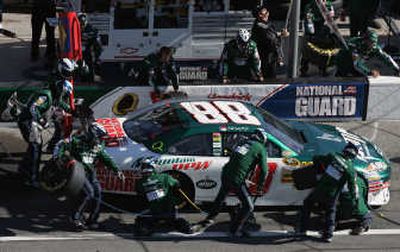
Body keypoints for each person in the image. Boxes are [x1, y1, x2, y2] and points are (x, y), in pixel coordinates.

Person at [53, 122, 124, 229]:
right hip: (79, 173)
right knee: (89, 193)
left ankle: (92, 220)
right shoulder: (77, 141)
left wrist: (117, 171)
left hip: (91, 173)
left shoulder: (98, 147)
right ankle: (75, 217)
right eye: (99, 137)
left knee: (98, 193)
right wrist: (57, 157)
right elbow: (61, 143)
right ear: (93, 135)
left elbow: (107, 159)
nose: (101, 140)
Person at [198, 128, 268, 236]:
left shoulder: (243, 143)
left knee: (222, 195)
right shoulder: (260, 148)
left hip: (226, 173)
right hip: (237, 178)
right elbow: (264, 170)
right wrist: (260, 186)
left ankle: (210, 217)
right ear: (263, 140)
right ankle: (235, 230)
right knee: (249, 206)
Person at [295, 142, 360, 242]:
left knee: (308, 204)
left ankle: (302, 230)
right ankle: (328, 235)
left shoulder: (333, 156)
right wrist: (354, 200)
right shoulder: (351, 170)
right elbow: (352, 187)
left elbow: (317, 159)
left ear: (345, 151)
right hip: (332, 194)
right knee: (330, 211)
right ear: (353, 156)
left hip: (320, 189)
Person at [134, 157, 193, 235]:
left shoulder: (139, 183)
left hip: (154, 213)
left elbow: (140, 194)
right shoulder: (165, 177)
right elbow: (177, 184)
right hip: (170, 212)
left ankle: (146, 228)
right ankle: (183, 226)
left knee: (139, 218)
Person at [17, 88, 54, 186]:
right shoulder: (45, 96)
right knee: (35, 147)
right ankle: (31, 177)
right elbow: (33, 107)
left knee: (35, 146)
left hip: (31, 122)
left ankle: (23, 169)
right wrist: (42, 121)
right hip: (27, 121)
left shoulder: (53, 96)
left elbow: (63, 104)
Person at [335, 30, 400, 77]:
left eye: (374, 42)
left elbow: (386, 58)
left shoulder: (375, 48)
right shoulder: (355, 44)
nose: (372, 45)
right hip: (344, 63)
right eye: (371, 42)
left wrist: (397, 68)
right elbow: (356, 64)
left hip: (356, 65)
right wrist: (369, 72)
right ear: (365, 40)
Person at [300, 0, 339, 76]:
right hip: (314, 28)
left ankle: (323, 68)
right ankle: (303, 68)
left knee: (326, 49)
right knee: (307, 50)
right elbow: (309, 20)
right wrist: (311, 32)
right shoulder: (310, 6)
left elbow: (331, 17)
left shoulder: (328, 4)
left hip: (324, 29)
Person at [251, 6, 288, 79]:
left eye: (266, 13)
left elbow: (272, 33)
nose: (265, 15)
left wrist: (281, 33)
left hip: (270, 54)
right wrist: (281, 34)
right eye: (262, 14)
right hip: (263, 53)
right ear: (258, 15)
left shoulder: (268, 23)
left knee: (271, 73)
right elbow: (269, 36)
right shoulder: (259, 25)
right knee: (267, 73)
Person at [339, 170, 372, 235]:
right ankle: (363, 225)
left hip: (344, 210)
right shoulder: (360, 181)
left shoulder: (339, 181)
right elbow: (365, 194)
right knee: (368, 216)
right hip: (359, 209)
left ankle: (334, 223)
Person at [78, 12, 102, 83]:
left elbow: (98, 43)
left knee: (91, 60)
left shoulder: (92, 29)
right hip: (77, 51)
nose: (82, 26)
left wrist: (97, 57)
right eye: (80, 23)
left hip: (88, 50)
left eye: (83, 23)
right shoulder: (72, 29)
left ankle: (92, 77)